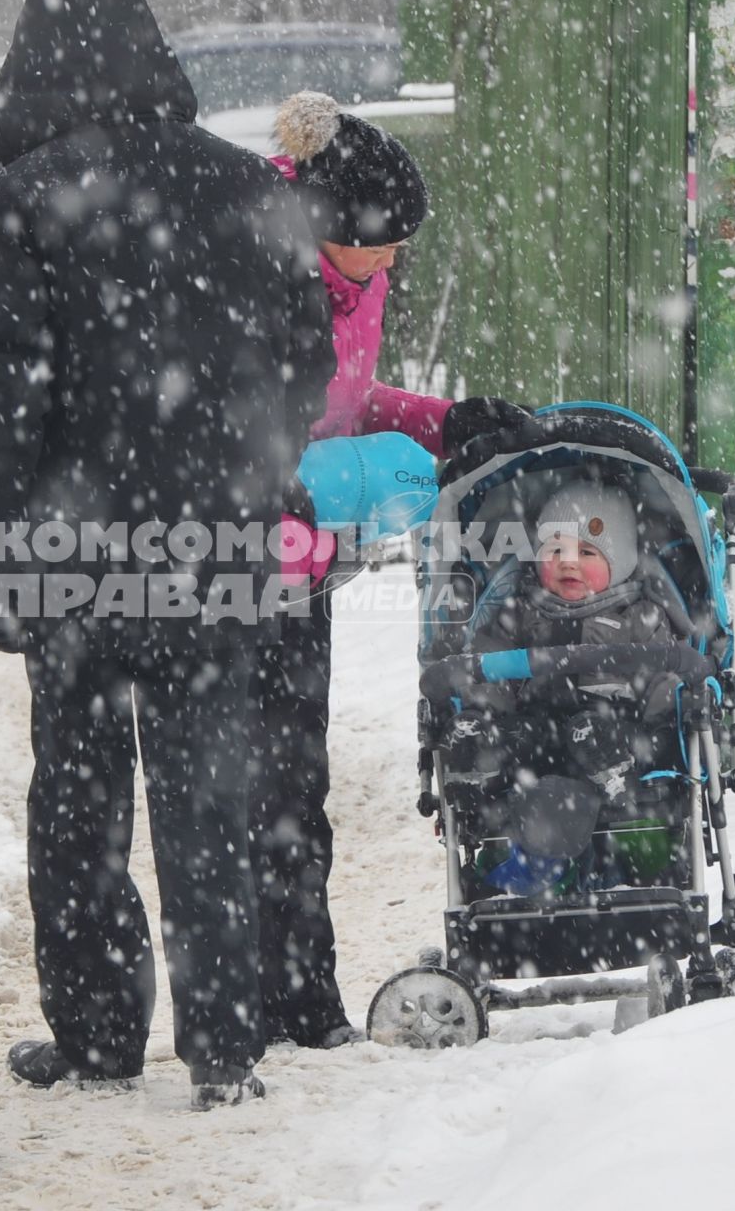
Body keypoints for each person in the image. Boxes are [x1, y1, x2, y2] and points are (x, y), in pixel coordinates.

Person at [0, 0, 337, 1109]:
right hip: (213, 542)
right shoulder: (240, 184)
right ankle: (223, 1042)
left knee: (76, 793)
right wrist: (247, 475)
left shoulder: (21, 198)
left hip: (71, 552)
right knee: (207, 788)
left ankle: (98, 1029)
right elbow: (306, 360)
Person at [252, 91, 531, 1048]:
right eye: (384, 244)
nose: (393, 262)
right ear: (331, 228)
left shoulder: (354, 272)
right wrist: (290, 487)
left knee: (295, 777)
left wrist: (442, 420)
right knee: (235, 780)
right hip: (241, 548)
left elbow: (354, 398)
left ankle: (302, 997)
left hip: (309, 555)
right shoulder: (259, 266)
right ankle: (239, 1001)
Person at [434, 479, 687, 894]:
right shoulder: (521, 611)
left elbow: (663, 681)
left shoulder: (639, 619)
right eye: (555, 550)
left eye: (587, 552)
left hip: (615, 728)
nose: (569, 562)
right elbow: (489, 668)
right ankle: (483, 757)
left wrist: (668, 721)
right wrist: (481, 709)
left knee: (604, 732)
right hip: (537, 733)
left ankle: (609, 772)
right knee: (515, 737)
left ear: (620, 560)